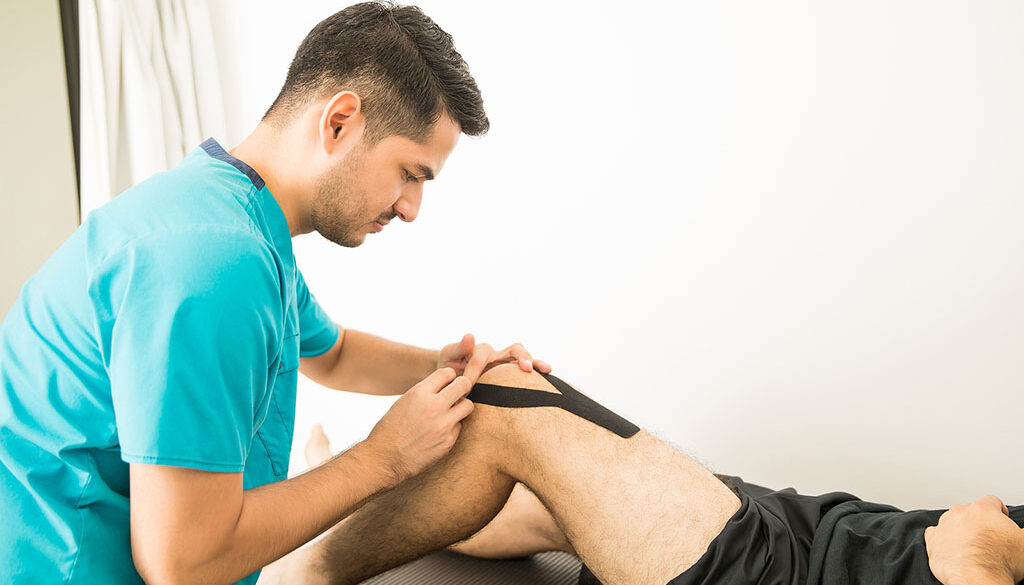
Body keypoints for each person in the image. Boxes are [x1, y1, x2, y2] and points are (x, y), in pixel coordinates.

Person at [0, 3, 549, 584]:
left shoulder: (232, 213)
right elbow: (181, 563)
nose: (412, 209)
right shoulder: (211, 261)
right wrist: (384, 457)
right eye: (411, 174)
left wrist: (442, 366)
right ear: (339, 122)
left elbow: (331, 354)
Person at [260, 363, 1024, 585]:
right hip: (802, 528)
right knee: (549, 500)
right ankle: (337, 500)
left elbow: (970, 545)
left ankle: (300, 575)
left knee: (507, 405)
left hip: (786, 573)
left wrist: (977, 550)